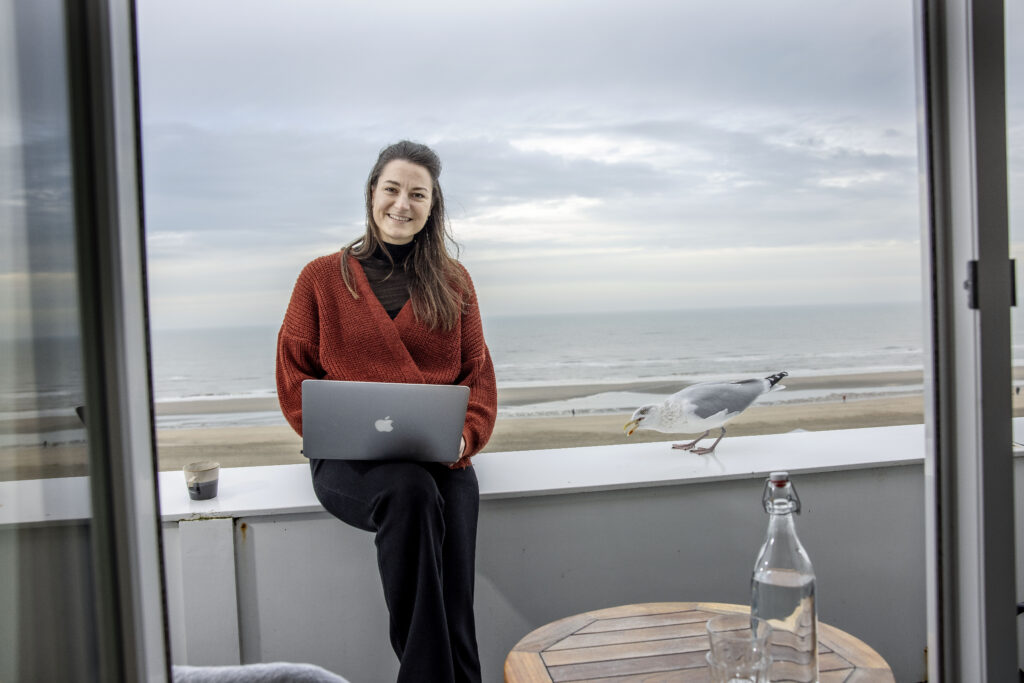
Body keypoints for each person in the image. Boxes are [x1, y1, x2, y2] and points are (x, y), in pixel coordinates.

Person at [275, 140, 497, 682]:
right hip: (349, 467)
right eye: (392, 189)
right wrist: (332, 431)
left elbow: (479, 381)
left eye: (417, 194)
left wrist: (463, 438)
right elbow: (293, 376)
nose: (403, 203)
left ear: (432, 205)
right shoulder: (320, 280)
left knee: (456, 604)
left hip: (441, 462)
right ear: (372, 193)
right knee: (408, 490)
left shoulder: (453, 282)